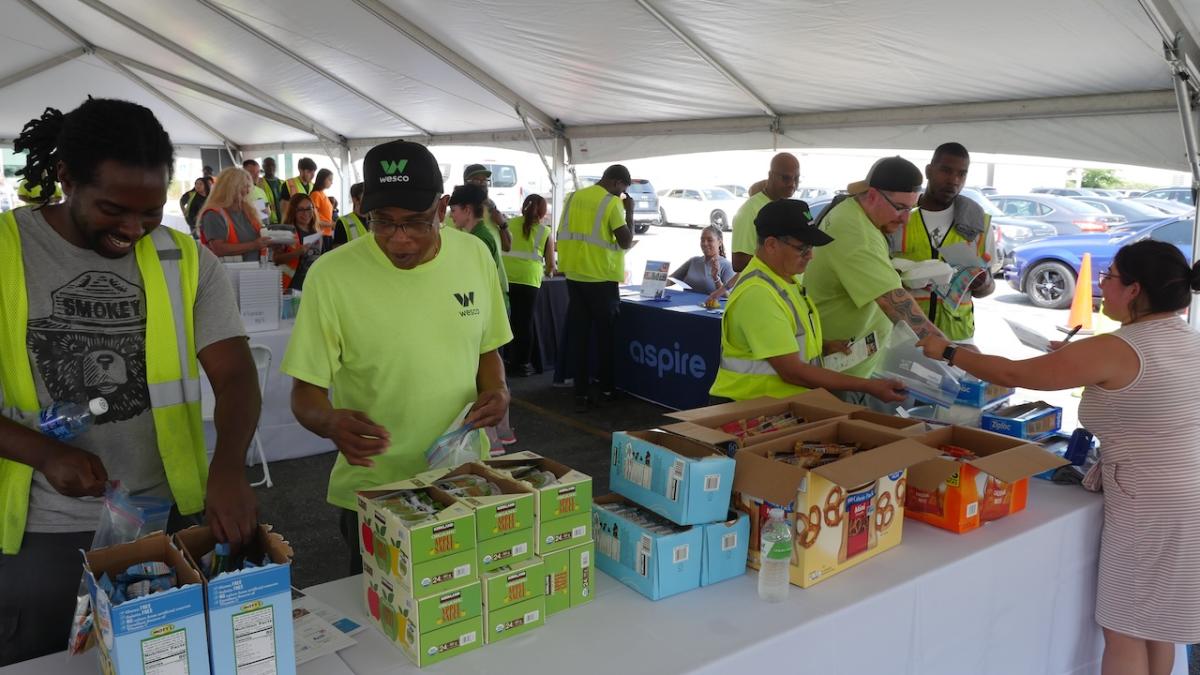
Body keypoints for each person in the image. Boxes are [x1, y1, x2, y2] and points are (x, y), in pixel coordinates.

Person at [0, 98, 259, 665]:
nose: (134, 229)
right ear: (66, 179)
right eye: (114, 209)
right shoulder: (5, 252)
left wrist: (230, 466)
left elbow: (235, 373)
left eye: (151, 211)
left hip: (160, 519)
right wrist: (42, 452)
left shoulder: (184, 259)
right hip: (40, 533)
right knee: (49, 660)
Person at [914, 240, 1200, 675]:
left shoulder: (1117, 347)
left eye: (1110, 278)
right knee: (1157, 624)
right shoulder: (1184, 337)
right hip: (1184, 490)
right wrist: (1071, 358)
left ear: (1135, 289)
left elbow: (1014, 374)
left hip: (1149, 503)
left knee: (1124, 628)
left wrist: (951, 352)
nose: (1102, 284)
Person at [283, 139, 511, 576]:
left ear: (442, 209)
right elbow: (305, 392)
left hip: (465, 478)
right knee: (382, 623)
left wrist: (497, 389)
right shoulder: (331, 276)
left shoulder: (475, 255)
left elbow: (488, 350)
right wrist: (329, 422)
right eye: (382, 223)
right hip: (376, 492)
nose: (398, 239)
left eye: (416, 223)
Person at [709, 199, 907, 403]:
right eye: (802, 248)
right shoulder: (758, 294)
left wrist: (822, 346)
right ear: (771, 245)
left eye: (811, 247)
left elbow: (786, 339)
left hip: (774, 406)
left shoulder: (786, 279)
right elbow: (792, 372)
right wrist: (867, 386)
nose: (811, 256)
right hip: (745, 410)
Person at [803, 156, 948, 403]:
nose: (905, 219)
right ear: (871, 195)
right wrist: (950, 350)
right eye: (900, 208)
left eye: (910, 209)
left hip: (850, 364)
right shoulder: (856, 233)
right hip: (838, 374)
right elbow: (892, 301)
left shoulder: (856, 213)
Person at [889, 142, 994, 342]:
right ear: (929, 171)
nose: (954, 180)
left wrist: (984, 283)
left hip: (957, 338)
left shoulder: (979, 224)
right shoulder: (897, 217)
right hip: (905, 335)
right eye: (946, 170)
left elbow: (988, 289)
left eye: (961, 174)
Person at [557, 163, 636, 411]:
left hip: (574, 275)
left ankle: (580, 392)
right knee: (606, 337)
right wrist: (629, 211)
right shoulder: (610, 203)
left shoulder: (572, 198)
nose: (621, 194)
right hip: (601, 278)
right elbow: (624, 241)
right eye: (622, 189)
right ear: (615, 182)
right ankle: (607, 389)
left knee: (579, 336)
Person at [501, 194, 554, 377]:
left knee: (506, 320)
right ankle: (523, 363)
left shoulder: (508, 224)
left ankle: (504, 360)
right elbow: (551, 265)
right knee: (525, 323)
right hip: (528, 280)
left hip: (506, 277)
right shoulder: (545, 231)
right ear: (543, 211)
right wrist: (549, 270)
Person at [730, 152, 800, 273]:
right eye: (786, 178)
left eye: (796, 178)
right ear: (771, 176)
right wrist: (785, 260)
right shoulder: (749, 211)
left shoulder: (790, 207)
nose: (792, 184)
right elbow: (739, 262)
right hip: (768, 289)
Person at [449, 184, 510, 312]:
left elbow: (477, 279)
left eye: (453, 210)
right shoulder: (478, 235)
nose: (450, 216)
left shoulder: (479, 239)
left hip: (491, 308)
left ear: (467, 210)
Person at [198, 167, 272, 262]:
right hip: (230, 273)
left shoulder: (248, 209)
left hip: (255, 269)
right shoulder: (213, 214)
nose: (248, 191)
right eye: (244, 186)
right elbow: (218, 249)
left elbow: (262, 232)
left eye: (248, 186)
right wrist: (254, 245)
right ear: (230, 188)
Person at [272, 193, 323, 291]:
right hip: (290, 286)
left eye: (309, 208)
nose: (305, 213)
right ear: (293, 211)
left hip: (312, 285)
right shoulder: (286, 231)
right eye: (300, 210)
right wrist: (297, 253)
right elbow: (276, 259)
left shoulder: (316, 232)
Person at [670, 225, 735, 296]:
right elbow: (671, 280)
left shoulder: (727, 266)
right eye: (702, 240)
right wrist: (659, 277)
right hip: (684, 305)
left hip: (709, 306)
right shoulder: (693, 261)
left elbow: (728, 296)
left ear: (719, 242)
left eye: (710, 240)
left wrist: (716, 278)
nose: (705, 243)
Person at [462, 163, 512, 252]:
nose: (483, 184)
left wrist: (502, 225)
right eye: (477, 180)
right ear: (466, 182)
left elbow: (507, 247)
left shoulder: (491, 207)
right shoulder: (459, 211)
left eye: (485, 180)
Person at [332, 182, 369, 247]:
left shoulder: (377, 220)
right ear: (355, 200)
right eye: (366, 196)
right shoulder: (343, 222)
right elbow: (338, 251)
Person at [242, 158, 272, 225]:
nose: (256, 175)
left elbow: (267, 213)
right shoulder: (236, 192)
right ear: (243, 173)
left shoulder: (260, 191)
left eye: (258, 172)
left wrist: (267, 212)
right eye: (252, 172)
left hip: (262, 229)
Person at [310, 168, 336, 239]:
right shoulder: (316, 194)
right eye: (329, 179)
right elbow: (313, 219)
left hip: (327, 233)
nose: (331, 182)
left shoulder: (322, 194)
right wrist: (332, 224)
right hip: (320, 234)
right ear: (322, 179)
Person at [258, 156, 284, 223]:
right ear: (263, 167)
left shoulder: (283, 182)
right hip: (269, 222)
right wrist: (265, 223)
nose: (271, 167)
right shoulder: (259, 183)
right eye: (267, 165)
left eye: (273, 165)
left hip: (284, 220)